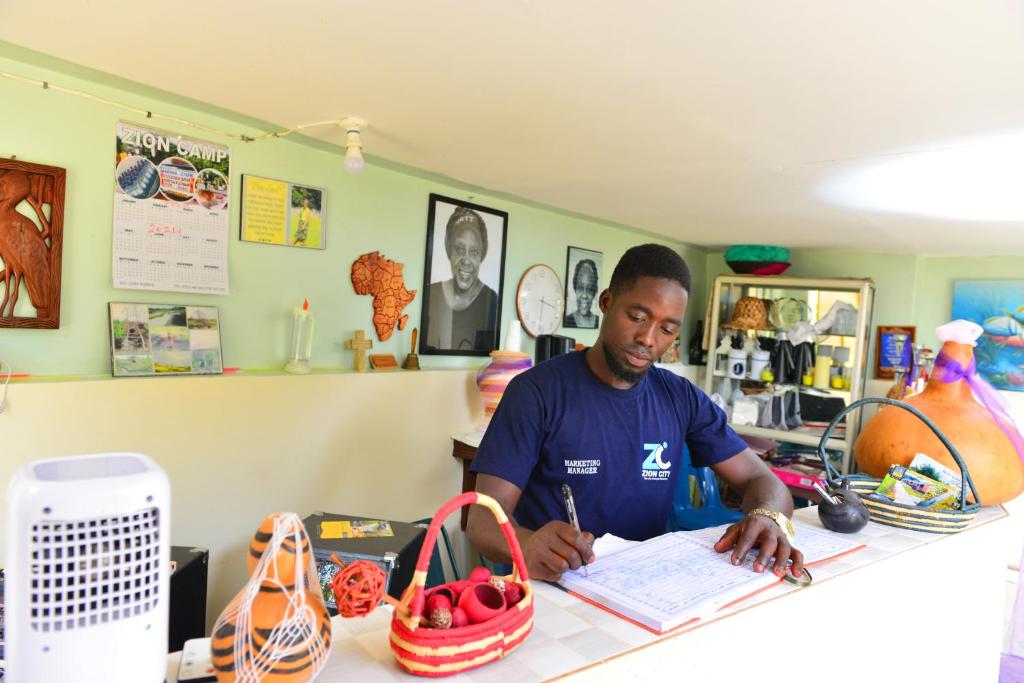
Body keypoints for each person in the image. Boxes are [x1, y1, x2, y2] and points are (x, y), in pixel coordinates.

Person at [467, 244, 804, 581]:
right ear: (606, 302)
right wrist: (525, 544)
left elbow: (764, 481)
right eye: (638, 317)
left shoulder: (680, 397)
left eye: (667, 329)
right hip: (560, 585)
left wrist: (768, 517)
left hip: (646, 587)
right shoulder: (536, 393)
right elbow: (482, 519)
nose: (648, 338)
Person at [425, 206, 498, 351]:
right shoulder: (431, 293)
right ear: (449, 250)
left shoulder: (491, 300)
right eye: (459, 249)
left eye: (474, 252)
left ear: (481, 256)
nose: (466, 260)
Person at [563, 258, 599, 328]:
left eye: (589, 289)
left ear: (594, 292)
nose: (584, 295)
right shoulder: (567, 321)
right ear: (575, 289)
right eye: (580, 288)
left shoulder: (600, 322)